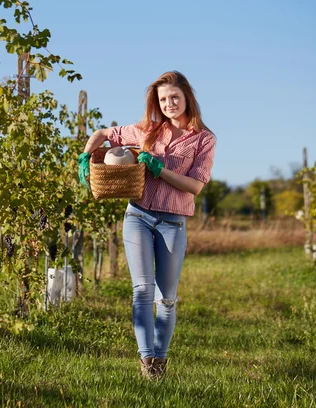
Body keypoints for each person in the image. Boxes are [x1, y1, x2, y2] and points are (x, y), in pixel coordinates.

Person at [78, 71, 216, 379]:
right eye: (163, 99)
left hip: (173, 223)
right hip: (138, 216)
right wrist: (85, 157)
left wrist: (159, 169)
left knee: (165, 298)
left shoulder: (204, 139)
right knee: (142, 290)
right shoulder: (147, 130)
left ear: (187, 98)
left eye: (174, 97)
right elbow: (102, 134)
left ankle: (160, 360)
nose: (169, 104)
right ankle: (147, 362)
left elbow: (195, 187)